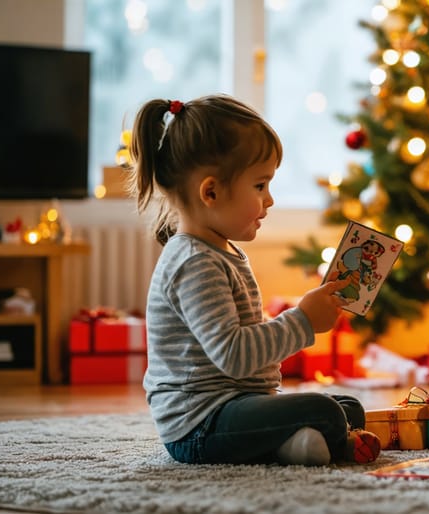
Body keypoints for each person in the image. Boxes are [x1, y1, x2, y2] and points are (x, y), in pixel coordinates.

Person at [129, 94, 380, 466]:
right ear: (211, 192)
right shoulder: (194, 263)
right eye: (260, 186)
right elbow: (233, 355)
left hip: (235, 405)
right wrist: (303, 321)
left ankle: (293, 442)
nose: (270, 199)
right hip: (200, 426)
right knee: (324, 411)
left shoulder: (221, 251)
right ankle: (307, 440)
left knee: (347, 407)